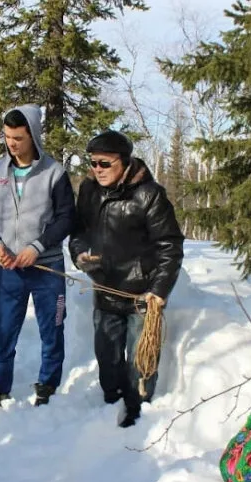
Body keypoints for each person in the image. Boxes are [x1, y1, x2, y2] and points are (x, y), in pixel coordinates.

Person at [68, 130, 185, 428]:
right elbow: (78, 231)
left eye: (104, 163)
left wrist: (159, 290)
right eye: (93, 163)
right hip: (105, 290)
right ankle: (110, 408)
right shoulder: (89, 191)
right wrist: (80, 254)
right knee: (107, 360)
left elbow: (170, 246)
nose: (97, 169)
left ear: (125, 161)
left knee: (140, 363)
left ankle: (138, 419)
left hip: (141, 298)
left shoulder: (150, 195)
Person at [0, 105, 75, 408]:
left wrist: (38, 247)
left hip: (48, 269)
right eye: (7, 137)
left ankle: (47, 386)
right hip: (9, 270)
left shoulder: (54, 173)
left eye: (18, 137)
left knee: (52, 330)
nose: (11, 143)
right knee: (2, 333)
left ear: (33, 134)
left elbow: (66, 217)